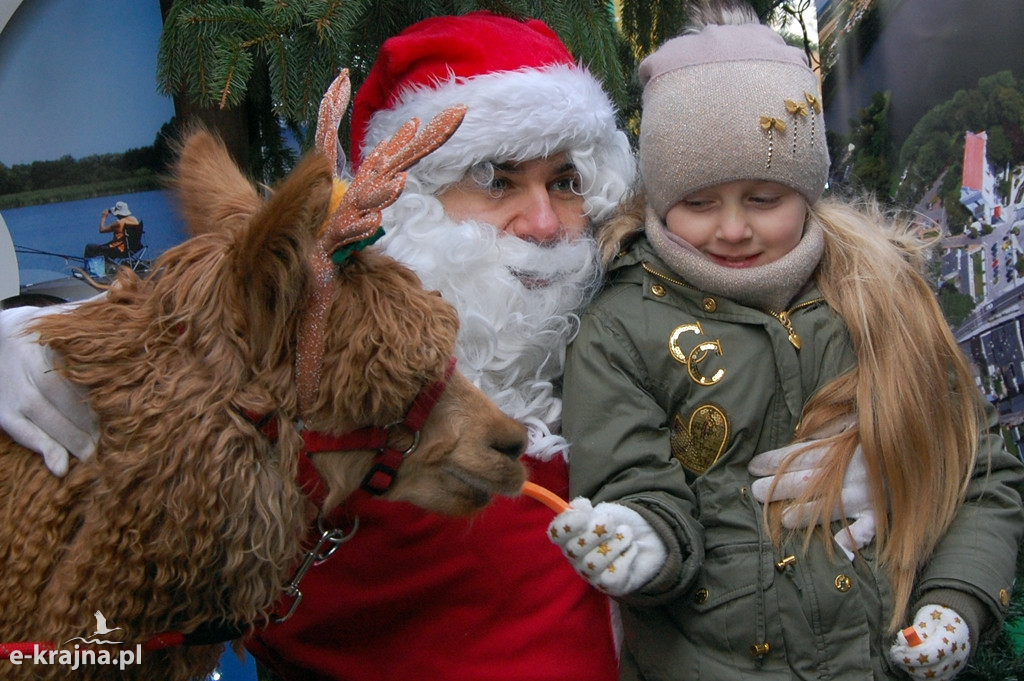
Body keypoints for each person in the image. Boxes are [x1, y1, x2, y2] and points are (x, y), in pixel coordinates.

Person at [0, 12, 635, 681]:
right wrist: (26, 335)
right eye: (496, 179)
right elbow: (189, 341)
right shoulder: (308, 362)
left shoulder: (627, 323)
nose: (542, 224)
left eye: (565, 183)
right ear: (413, 205)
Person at [547, 3, 1024, 681]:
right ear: (658, 196)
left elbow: (979, 470)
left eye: (764, 197)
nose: (733, 229)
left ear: (806, 188)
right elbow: (633, 478)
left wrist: (955, 600)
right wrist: (640, 541)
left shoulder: (883, 295)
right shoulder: (623, 325)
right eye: (700, 201)